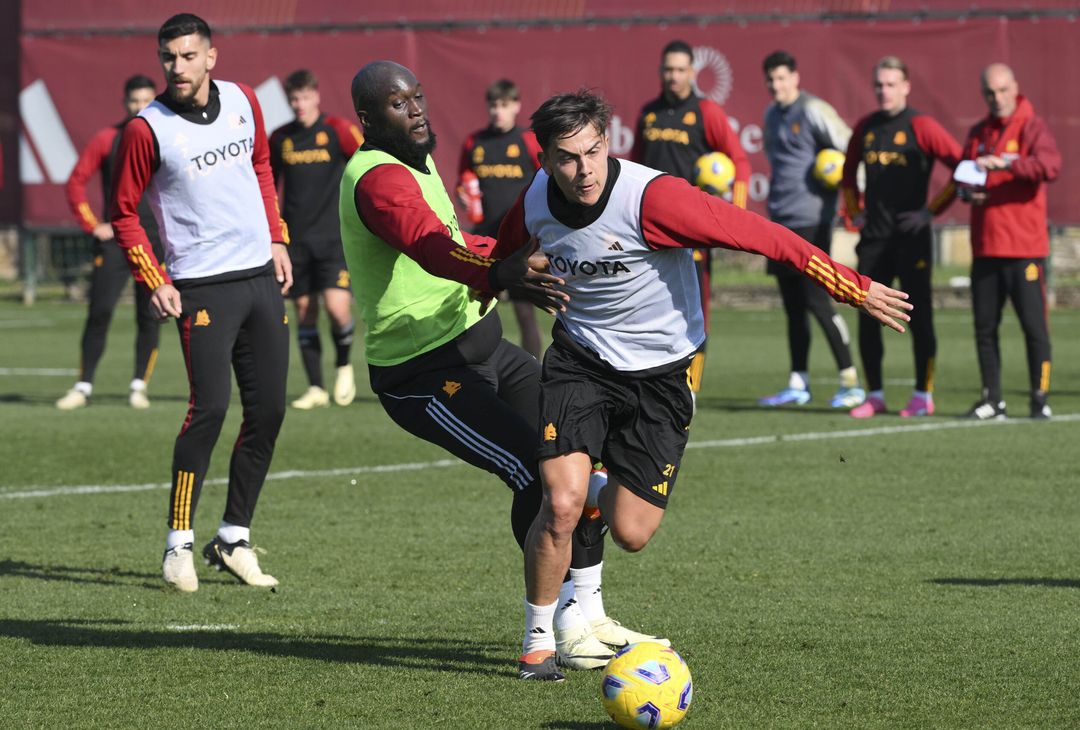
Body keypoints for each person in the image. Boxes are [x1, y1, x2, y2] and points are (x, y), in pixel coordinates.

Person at [488, 89, 911, 681]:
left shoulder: (653, 199)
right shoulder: (535, 200)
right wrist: (500, 279)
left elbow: (765, 236)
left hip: (662, 374)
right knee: (558, 503)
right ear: (543, 160)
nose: (583, 169)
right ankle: (538, 642)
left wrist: (850, 285)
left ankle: (593, 484)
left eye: (593, 151)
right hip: (580, 361)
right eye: (566, 157)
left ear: (608, 142)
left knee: (632, 531)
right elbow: (496, 256)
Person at [341, 61, 665, 683]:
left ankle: (590, 618)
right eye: (397, 104)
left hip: (485, 348)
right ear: (366, 119)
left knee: (577, 458)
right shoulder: (376, 178)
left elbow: (458, 236)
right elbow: (430, 246)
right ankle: (549, 634)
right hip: (423, 373)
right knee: (536, 475)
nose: (415, 112)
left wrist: (508, 256)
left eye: (418, 97)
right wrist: (500, 269)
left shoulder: (417, 156)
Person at [110, 13, 291, 592]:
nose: (178, 67)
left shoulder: (242, 100)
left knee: (269, 413)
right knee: (209, 409)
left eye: (189, 56)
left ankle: (233, 537)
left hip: (260, 277)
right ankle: (178, 543)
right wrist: (155, 278)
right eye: (169, 57)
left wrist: (277, 236)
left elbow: (262, 168)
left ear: (211, 56)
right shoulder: (147, 128)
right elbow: (123, 213)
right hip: (201, 287)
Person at [841, 56, 962, 419]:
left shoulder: (921, 125)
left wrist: (929, 212)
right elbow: (848, 174)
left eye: (891, 83)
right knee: (866, 316)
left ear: (906, 86)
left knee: (919, 317)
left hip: (912, 240)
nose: (884, 90)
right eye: (879, 84)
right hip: (875, 241)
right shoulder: (867, 127)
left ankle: (923, 394)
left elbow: (961, 167)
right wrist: (855, 212)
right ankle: (874, 394)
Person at [631, 39, 751, 400]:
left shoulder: (706, 112)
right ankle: (644, 380)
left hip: (691, 227)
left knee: (694, 308)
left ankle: (691, 388)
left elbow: (740, 162)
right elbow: (634, 167)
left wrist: (737, 215)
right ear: (660, 72)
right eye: (668, 69)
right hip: (648, 228)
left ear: (693, 73)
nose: (674, 76)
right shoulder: (648, 114)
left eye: (681, 70)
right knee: (645, 303)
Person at [758, 51, 864, 409]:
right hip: (780, 222)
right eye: (771, 79)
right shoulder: (771, 116)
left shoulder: (814, 110)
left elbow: (851, 146)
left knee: (819, 300)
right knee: (792, 306)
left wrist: (849, 188)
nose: (777, 85)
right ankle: (798, 382)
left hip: (812, 221)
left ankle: (850, 381)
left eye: (782, 78)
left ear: (796, 78)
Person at [958, 64, 1060, 420]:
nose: (997, 98)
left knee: (1034, 327)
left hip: (1025, 250)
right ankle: (993, 399)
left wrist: (1005, 165)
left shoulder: (1032, 126)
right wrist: (970, 193)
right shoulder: (978, 132)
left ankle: (1039, 398)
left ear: (1015, 88)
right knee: (985, 328)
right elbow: (964, 177)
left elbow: (1050, 166)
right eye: (990, 93)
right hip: (986, 247)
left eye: (1003, 91)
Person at [57, 75, 162, 411]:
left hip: (154, 242)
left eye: (146, 100)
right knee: (99, 311)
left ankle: (138, 386)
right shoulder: (108, 138)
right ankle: (83, 386)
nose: (140, 107)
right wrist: (93, 225)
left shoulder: (167, 138)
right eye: (134, 101)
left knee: (151, 314)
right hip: (116, 242)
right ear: (125, 102)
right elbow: (76, 182)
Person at [269, 69, 363, 410]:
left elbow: (368, 167)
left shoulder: (337, 130)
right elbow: (268, 184)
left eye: (305, 98)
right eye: (293, 99)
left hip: (334, 238)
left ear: (316, 96)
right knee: (305, 311)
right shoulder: (280, 138)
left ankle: (343, 365)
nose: (299, 105)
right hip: (296, 242)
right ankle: (315, 388)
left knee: (338, 309)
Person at [458, 79, 544, 360]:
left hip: (519, 237)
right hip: (485, 237)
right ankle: (475, 365)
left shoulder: (527, 140)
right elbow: (465, 178)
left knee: (523, 309)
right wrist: (465, 195)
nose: (498, 111)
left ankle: (533, 370)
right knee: (475, 305)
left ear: (516, 106)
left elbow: (546, 177)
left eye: (504, 105)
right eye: (493, 105)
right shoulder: (475, 142)